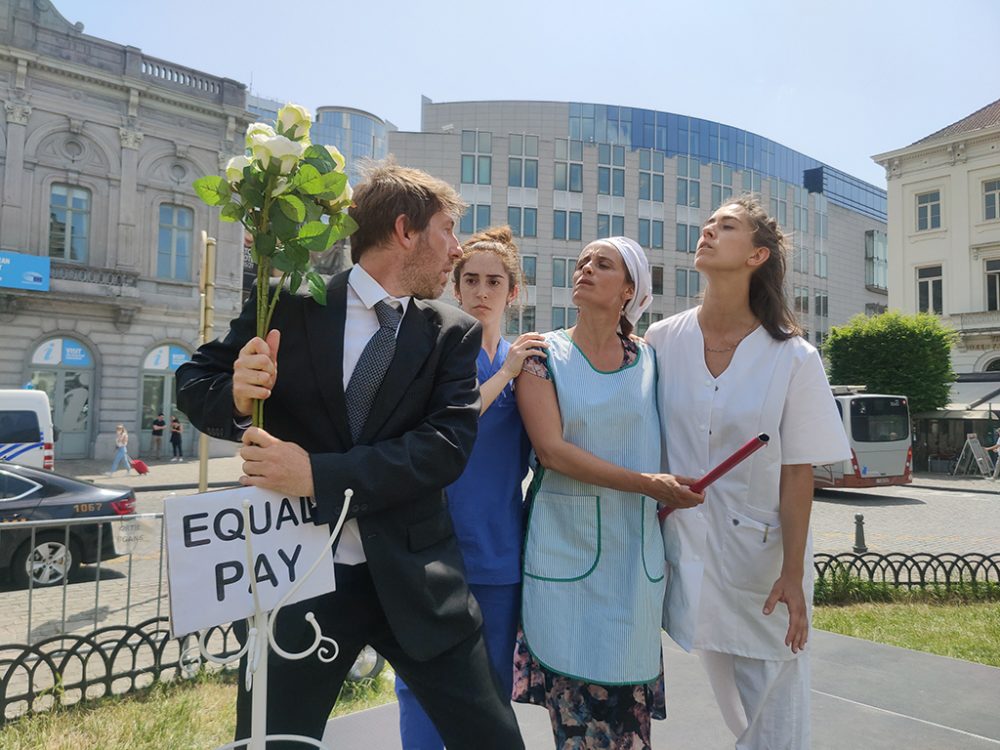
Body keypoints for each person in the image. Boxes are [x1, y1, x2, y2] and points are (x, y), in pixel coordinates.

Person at [175, 162, 525, 750]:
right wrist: (236, 393)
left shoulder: (452, 333)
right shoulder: (286, 303)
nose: (457, 250)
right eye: (447, 229)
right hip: (298, 582)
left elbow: (445, 448)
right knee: (271, 742)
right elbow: (193, 380)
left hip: (419, 583)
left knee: (492, 740)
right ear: (405, 230)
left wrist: (316, 475)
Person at [645, 195, 851, 750]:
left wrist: (792, 572)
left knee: (774, 704)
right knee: (732, 704)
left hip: (764, 562)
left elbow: (797, 472)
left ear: (757, 255)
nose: (706, 230)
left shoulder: (794, 358)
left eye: (725, 225)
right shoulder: (661, 342)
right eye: (706, 222)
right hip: (683, 551)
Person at [513, 236, 703, 749]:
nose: (586, 270)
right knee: (577, 730)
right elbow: (551, 451)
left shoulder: (651, 361)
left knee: (629, 729)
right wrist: (647, 485)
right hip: (565, 554)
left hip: (632, 564)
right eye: (582, 264)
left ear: (629, 290)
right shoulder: (540, 356)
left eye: (602, 264)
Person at [394, 226, 546, 750]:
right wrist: (505, 372)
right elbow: (451, 423)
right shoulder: (430, 356)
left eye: (494, 281)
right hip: (429, 555)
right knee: (419, 689)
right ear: (455, 288)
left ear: (513, 292)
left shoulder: (531, 368)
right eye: (472, 280)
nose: (482, 291)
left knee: (490, 693)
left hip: (498, 555)